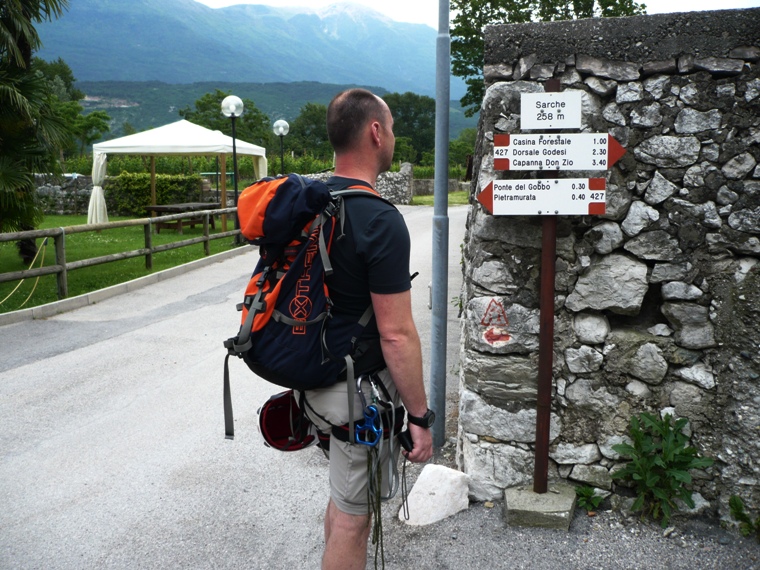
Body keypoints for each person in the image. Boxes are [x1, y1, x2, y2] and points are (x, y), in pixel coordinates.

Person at [301, 88, 434, 570]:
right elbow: (396, 334)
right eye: (392, 126)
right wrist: (419, 418)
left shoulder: (311, 204)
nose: (394, 135)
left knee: (343, 500)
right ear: (376, 132)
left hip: (312, 377)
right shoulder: (379, 219)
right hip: (356, 392)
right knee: (356, 519)